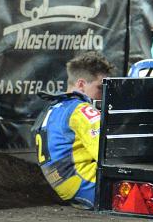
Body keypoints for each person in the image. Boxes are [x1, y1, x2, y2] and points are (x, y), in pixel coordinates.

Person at [32, 52, 115, 209]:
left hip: (68, 188)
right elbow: (109, 154)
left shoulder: (52, 108)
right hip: (89, 186)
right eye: (100, 87)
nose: (104, 94)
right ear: (81, 84)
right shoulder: (81, 110)